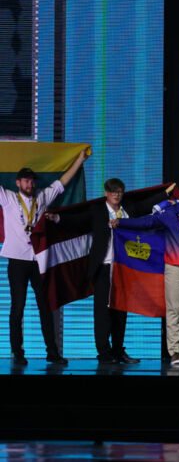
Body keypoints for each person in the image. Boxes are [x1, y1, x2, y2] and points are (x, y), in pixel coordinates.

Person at [58, 175, 172, 365]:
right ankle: (104, 353)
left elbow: (146, 205)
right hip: (104, 267)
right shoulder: (98, 211)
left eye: (119, 192)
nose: (116, 195)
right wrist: (58, 218)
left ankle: (118, 351)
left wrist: (166, 193)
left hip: (125, 269)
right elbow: (78, 220)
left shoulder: (128, 209)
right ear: (106, 193)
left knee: (121, 311)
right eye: (113, 192)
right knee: (102, 313)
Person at [2, 147, 89, 365]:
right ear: (17, 183)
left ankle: (52, 352)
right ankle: (17, 353)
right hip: (17, 261)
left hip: (38, 261)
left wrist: (80, 159)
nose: (30, 185)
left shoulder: (42, 196)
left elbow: (63, 182)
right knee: (18, 307)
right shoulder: (8, 198)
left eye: (32, 181)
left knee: (45, 306)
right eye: (26, 181)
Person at [116, 176, 179, 366]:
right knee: (174, 312)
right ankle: (175, 353)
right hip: (174, 268)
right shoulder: (170, 213)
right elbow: (146, 222)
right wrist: (121, 222)